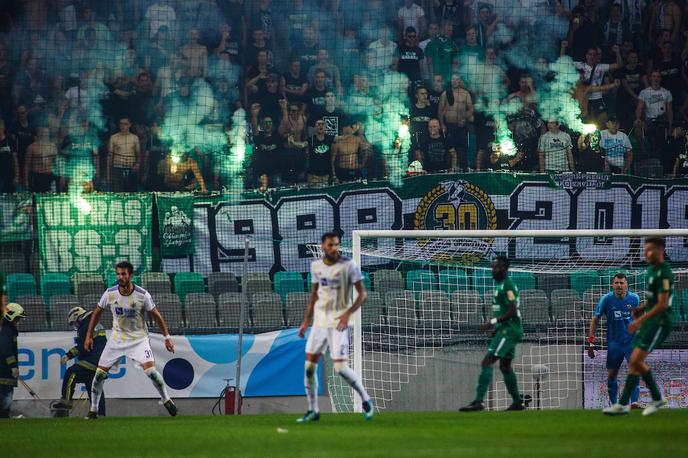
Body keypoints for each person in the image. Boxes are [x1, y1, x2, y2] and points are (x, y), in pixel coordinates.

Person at [297, 232, 374, 422]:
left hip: (338, 324)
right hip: (319, 324)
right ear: (322, 246)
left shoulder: (349, 265)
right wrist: (306, 321)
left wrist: (348, 314)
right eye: (331, 245)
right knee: (308, 368)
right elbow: (314, 295)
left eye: (337, 245)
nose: (334, 248)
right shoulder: (316, 266)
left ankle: (365, 399)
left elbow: (362, 294)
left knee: (340, 368)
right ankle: (313, 410)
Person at [84, 261, 177, 419]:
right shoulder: (110, 293)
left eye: (123, 274)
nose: (120, 277)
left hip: (138, 339)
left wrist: (167, 337)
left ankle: (167, 400)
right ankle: (93, 410)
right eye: (118, 274)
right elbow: (97, 312)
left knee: (151, 373)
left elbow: (156, 315)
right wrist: (88, 336)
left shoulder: (142, 294)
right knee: (99, 375)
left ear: (130, 275)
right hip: (116, 340)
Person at [604, 237, 675, 416]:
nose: (647, 253)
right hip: (652, 321)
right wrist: (641, 308)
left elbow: (663, 304)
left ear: (661, 250)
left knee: (636, 361)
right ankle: (635, 403)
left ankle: (630, 403)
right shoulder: (650, 271)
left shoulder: (664, 272)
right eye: (645, 250)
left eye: (650, 250)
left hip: (661, 322)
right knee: (635, 361)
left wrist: (639, 321)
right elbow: (652, 301)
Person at [460, 256, 524, 411]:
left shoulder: (508, 286)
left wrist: (492, 322)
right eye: (493, 267)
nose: (493, 270)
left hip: (509, 332)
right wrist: (495, 329)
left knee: (487, 362)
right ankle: (517, 402)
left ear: (504, 268)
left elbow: (513, 310)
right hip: (504, 330)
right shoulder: (501, 286)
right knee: (505, 366)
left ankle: (479, 402)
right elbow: (505, 311)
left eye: (496, 267)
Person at [587, 274, 641, 408]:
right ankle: (615, 405)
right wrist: (591, 343)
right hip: (614, 344)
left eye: (622, 283)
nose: (619, 285)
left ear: (626, 284)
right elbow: (595, 319)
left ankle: (634, 402)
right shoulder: (606, 300)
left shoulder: (634, 298)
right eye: (616, 283)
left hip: (631, 343)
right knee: (612, 375)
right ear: (612, 285)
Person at [51, 307, 107, 417]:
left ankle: (66, 401)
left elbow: (83, 345)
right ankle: (100, 414)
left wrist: (68, 355)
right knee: (95, 389)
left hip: (92, 360)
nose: (75, 326)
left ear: (78, 317)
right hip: (101, 363)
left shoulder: (85, 326)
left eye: (74, 323)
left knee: (71, 373)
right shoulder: (94, 323)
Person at [438, 75, 473, 170]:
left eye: (456, 79)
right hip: (449, 125)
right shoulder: (446, 93)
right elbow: (440, 110)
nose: (454, 81)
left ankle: (464, 170)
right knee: (450, 150)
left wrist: (465, 119)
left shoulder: (465, 94)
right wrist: (442, 125)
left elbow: (470, 109)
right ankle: (449, 170)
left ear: (460, 81)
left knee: (462, 150)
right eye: (453, 79)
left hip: (461, 126)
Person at [0, 303, 24, 418]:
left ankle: (5, 416)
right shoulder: (7, 330)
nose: (18, 321)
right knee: (5, 393)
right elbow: (6, 349)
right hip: (4, 370)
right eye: (17, 318)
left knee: (7, 393)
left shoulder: (8, 330)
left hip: (5, 370)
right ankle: (4, 416)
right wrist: (13, 366)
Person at [107, 117, 141, 192]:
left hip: (131, 169)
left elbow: (138, 154)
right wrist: (109, 174)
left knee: (132, 193)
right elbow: (110, 156)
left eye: (125, 124)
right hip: (117, 169)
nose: (123, 126)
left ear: (130, 125)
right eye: (121, 124)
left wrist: (137, 164)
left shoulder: (135, 138)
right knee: (118, 192)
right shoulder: (113, 137)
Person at [24, 126, 57, 192]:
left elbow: (56, 163)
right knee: (36, 198)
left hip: (49, 177)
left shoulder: (52, 146)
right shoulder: (32, 147)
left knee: (49, 198)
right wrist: (26, 181)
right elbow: (27, 165)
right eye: (43, 133)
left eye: (47, 133)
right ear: (39, 134)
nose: (45, 135)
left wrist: (60, 177)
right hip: (37, 177)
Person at [306, 118, 335, 187]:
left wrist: (353, 132)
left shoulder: (329, 138)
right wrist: (293, 143)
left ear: (325, 127)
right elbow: (302, 145)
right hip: (313, 175)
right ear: (315, 127)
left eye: (322, 124)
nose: (320, 126)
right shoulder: (311, 140)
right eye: (318, 124)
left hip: (326, 175)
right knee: (313, 195)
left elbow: (342, 138)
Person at [0, 119, 19, 193]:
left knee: (9, 198)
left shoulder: (10, 141)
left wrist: (17, 176)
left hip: (9, 175)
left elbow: (15, 160)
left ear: (3, 126)